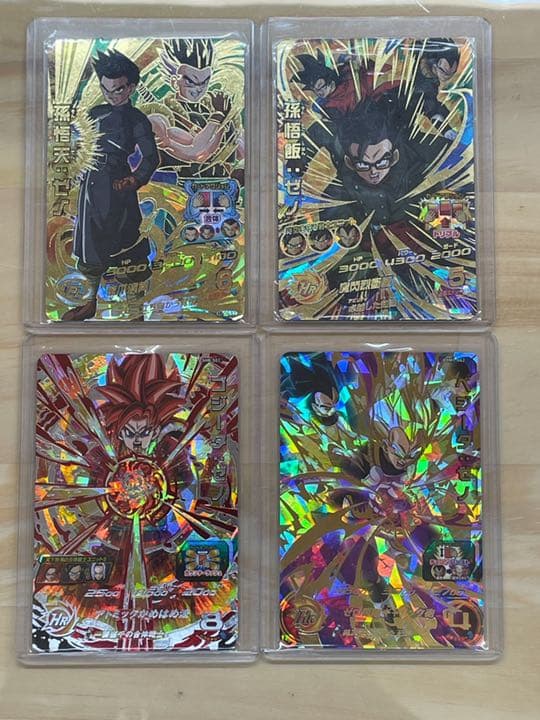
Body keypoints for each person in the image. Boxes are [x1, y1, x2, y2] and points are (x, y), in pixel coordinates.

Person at [64, 50, 159, 321]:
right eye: (105, 89)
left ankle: (135, 309)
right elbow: (75, 144)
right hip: (91, 184)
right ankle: (88, 302)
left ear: (130, 87)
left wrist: (135, 179)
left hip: (118, 186)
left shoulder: (136, 119)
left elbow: (151, 157)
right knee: (89, 247)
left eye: (117, 89)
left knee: (127, 243)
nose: (111, 95)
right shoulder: (95, 114)